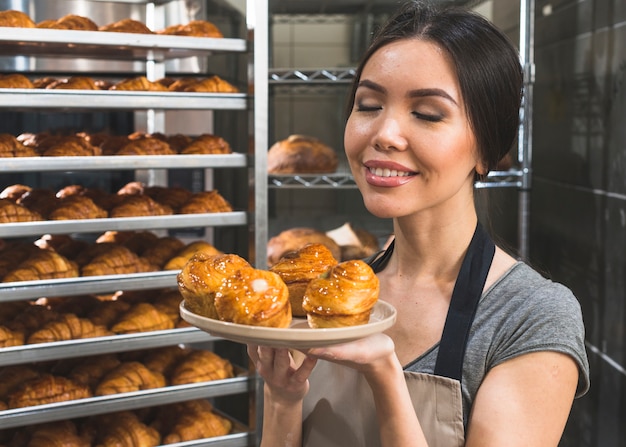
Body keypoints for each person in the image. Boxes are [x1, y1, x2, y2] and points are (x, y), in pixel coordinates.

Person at [247, 1, 590, 446]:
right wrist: (283, 397)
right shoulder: (324, 299)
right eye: (368, 104)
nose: (384, 134)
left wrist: (384, 375)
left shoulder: (530, 316)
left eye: (427, 113)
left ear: (487, 150)